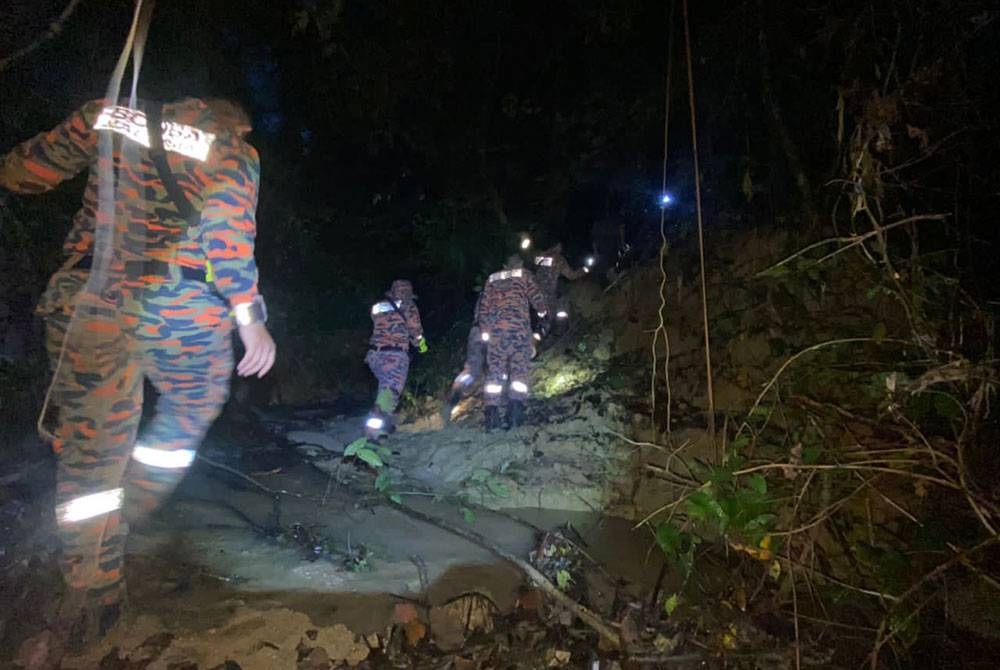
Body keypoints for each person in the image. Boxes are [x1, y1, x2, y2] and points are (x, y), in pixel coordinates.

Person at [0, 96, 275, 650]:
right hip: (179, 305)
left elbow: (22, 173)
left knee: (91, 450)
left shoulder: (110, 115)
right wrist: (251, 317)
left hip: (90, 299)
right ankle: (135, 509)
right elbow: (225, 233)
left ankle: (92, 588)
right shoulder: (232, 147)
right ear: (237, 118)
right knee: (190, 411)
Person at [478, 255, 547, 430]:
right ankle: (515, 414)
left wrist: (486, 332)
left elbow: (483, 309)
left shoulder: (492, 278)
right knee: (519, 372)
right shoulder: (524, 275)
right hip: (519, 332)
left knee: (494, 372)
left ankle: (492, 415)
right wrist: (542, 315)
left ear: (504, 264)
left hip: (496, 334)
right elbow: (538, 300)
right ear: (519, 263)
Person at [364, 279, 427, 440]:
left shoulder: (379, 306)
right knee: (390, 393)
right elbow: (415, 330)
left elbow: (377, 323)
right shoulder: (409, 306)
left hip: (374, 355)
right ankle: (372, 434)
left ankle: (384, 425)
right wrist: (421, 344)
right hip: (394, 355)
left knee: (384, 389)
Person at [442, 293, 485, 422]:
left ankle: (453, 398)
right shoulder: (494, 291)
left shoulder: (489, 290)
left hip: (481, 330)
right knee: (474, 371)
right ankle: (453, 399)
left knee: (474, 370)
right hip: (486, 330)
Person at [532, 242, 585, 335]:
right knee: (558, 310)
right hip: (548, 294)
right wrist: (584, 270)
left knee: (541, 318)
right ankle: (557, 334)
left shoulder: (539, 257)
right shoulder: (559, 259)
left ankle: (540, 336)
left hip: (534, 293)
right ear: (557, 246)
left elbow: (534, 264)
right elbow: (571, 275)